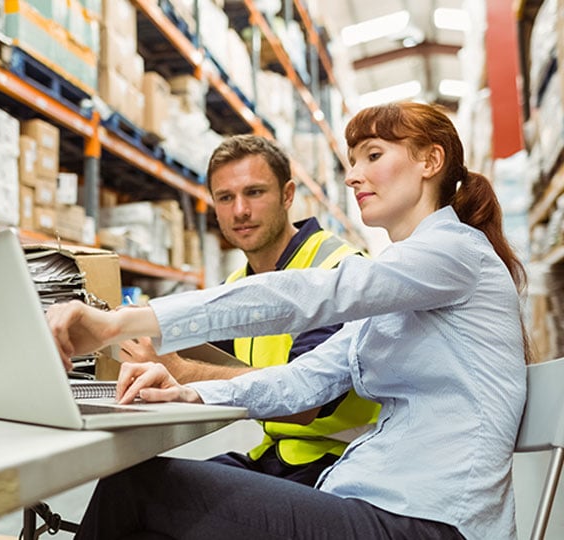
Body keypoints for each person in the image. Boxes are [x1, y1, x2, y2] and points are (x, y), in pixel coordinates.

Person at [48, 102, 530, 539]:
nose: (353, 175)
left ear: (430, 161)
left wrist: (122, 323)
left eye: (373, 155)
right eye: (352, 160)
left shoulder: (455, 252)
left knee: (136, 486)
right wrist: (188, 392)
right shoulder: (401, 280)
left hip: (430, 523)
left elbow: (309, 292)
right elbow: (305, 380)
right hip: (371, 500)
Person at [119, 134, 379, 487]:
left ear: (288, 195)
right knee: (131, 484)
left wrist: (180, 371)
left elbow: (303, 404)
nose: (240, 210)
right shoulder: (239, 284)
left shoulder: (336, 270)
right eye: (225, 198)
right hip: (277, 456)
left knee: (138, 494)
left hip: (339, 465)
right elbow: (201, 352)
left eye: (254, 192)